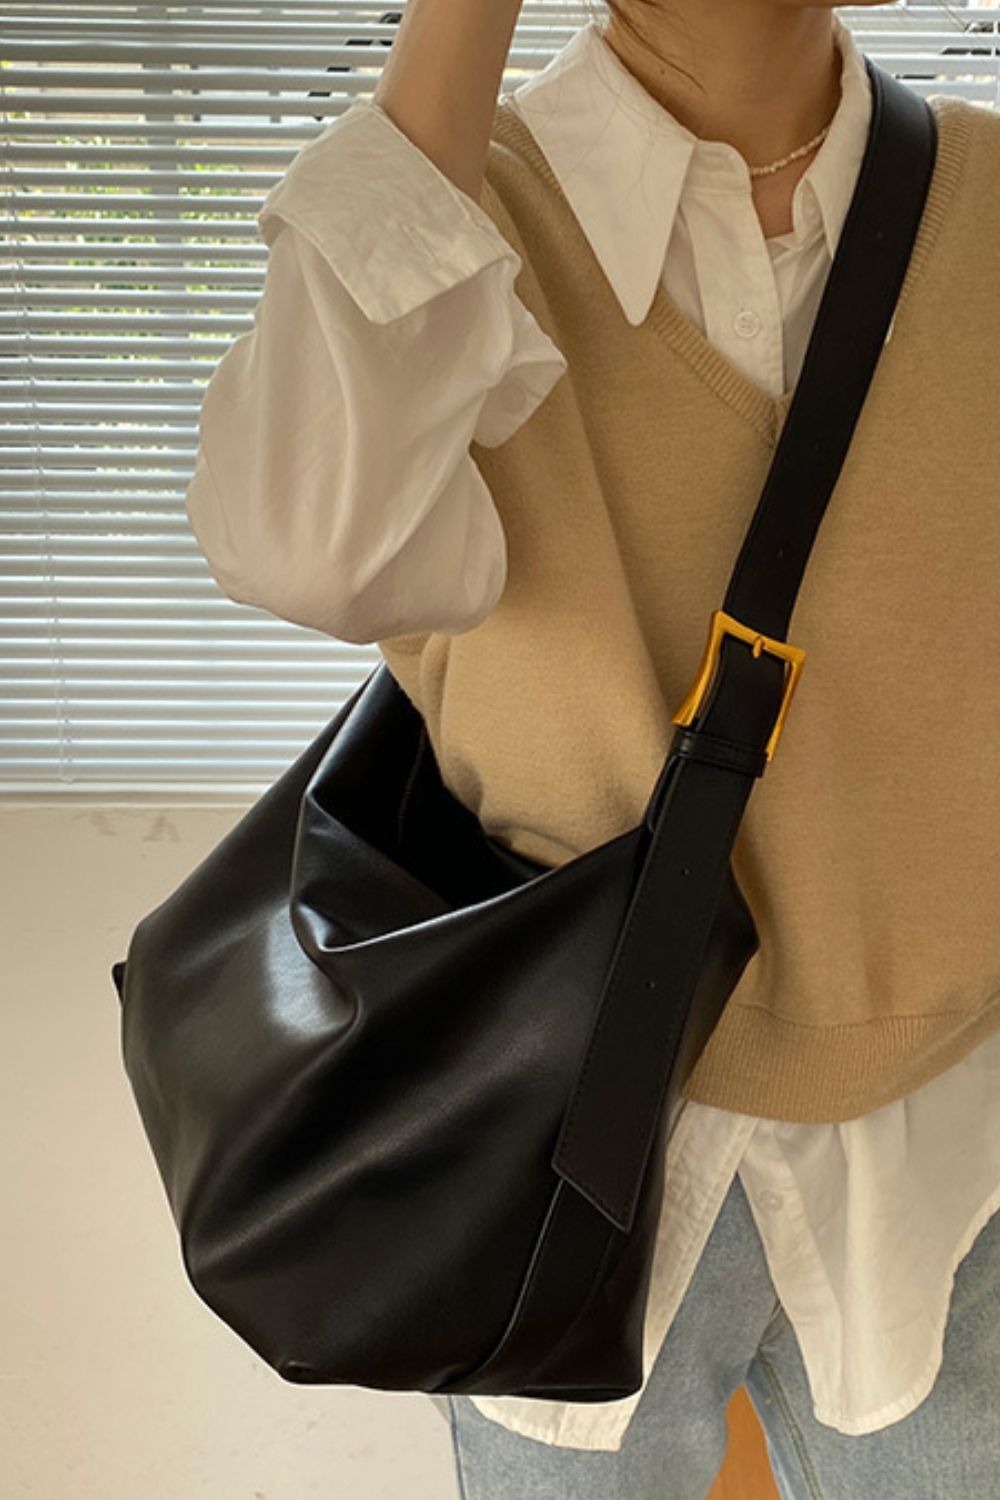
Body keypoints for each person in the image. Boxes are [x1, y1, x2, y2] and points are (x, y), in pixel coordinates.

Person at [184, 1, 1000, 1495]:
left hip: (958, 1141)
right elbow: (310, 547)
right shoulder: (451, 217)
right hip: (555, 1146)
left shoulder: (986, 204)